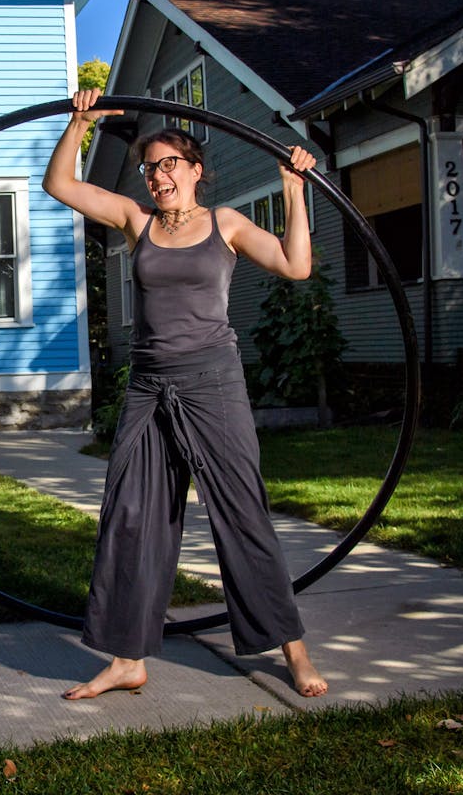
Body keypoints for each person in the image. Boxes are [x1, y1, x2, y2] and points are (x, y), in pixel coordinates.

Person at [43, 88, 328, 700]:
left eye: (171, 163)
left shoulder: (225, 223)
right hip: (148, 387)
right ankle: (127, 659)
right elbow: (61, 185)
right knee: (131, 517)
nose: (159, 175)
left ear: (196, 171)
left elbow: (295, 265)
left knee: (241, 513)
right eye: (151, 167)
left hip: (212, 384)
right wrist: (80, 123)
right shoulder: (135, 222)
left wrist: (293, 191)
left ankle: (294, 650)